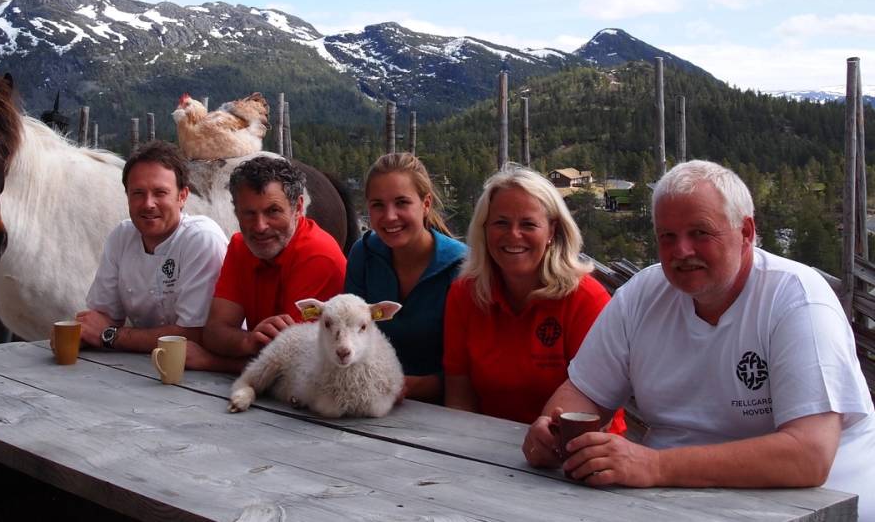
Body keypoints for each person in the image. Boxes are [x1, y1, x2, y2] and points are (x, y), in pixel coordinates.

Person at [522, 160, 875, 521]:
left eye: (700, 233)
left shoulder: (796, 298)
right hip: (680, 505)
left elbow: (809, 456)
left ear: (746, 232)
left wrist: (656, 466)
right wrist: (552, 429)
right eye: (667, 236)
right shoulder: (643, 294)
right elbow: (584, 393)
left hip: (819, 508)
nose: (682, 251)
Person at [443, 164, 627, 430]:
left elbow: (599, 413)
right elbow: (459, 397)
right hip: (485, 449)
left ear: (552, 231)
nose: (513, 235)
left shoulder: (585, 300)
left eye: (528, 224)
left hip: (576, 449)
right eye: (501, 223)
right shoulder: (465, 295)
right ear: (484, 229)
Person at [187, 155, 346, 372]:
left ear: (298, 207)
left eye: (273, 211)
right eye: (249, 213)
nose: (260, 226)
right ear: (236, 212)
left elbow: (293, 362)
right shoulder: (240, 246)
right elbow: (214, 333)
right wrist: (248, 341)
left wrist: (210, 361)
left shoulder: (318, 256)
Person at [77, 140, 227, 353]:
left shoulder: (201, 239)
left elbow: (193, 336)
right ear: (127, 196)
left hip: (206, 373)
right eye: (138, 193)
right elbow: (102, 317)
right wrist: (83, 332)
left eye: (160, 193)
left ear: (182, 196)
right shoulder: (121, 237)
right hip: (145, 365)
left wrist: (111, 335)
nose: (148, 203)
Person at [345, 152, 467, 403]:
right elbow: (348, 335)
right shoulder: (363, 255)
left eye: (401, 202)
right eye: (378, 205)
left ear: (425, 204)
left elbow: (471, 369)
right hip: (369, 399)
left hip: (441, 409)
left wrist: (407, 385)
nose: (389, 216)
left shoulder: (461, 267)